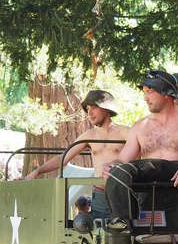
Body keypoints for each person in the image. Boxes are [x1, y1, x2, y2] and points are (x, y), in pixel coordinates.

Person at [105, 69, 178, 230]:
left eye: (150, 92)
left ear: (167, 93)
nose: (145, 98)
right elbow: (123, 159)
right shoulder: (140, 127)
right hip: (148, 197)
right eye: (144, 92)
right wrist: (111, 166)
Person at [25, 89, 129, 220]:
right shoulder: (89, 136)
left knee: (124, 234)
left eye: (94, 107)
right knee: (93, 231)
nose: (89, 113)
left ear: (107, 109)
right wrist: (38, 171)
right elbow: (63, 158)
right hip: (99, 195)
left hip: (123, 194)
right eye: (88, 108)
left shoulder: (126, 133)